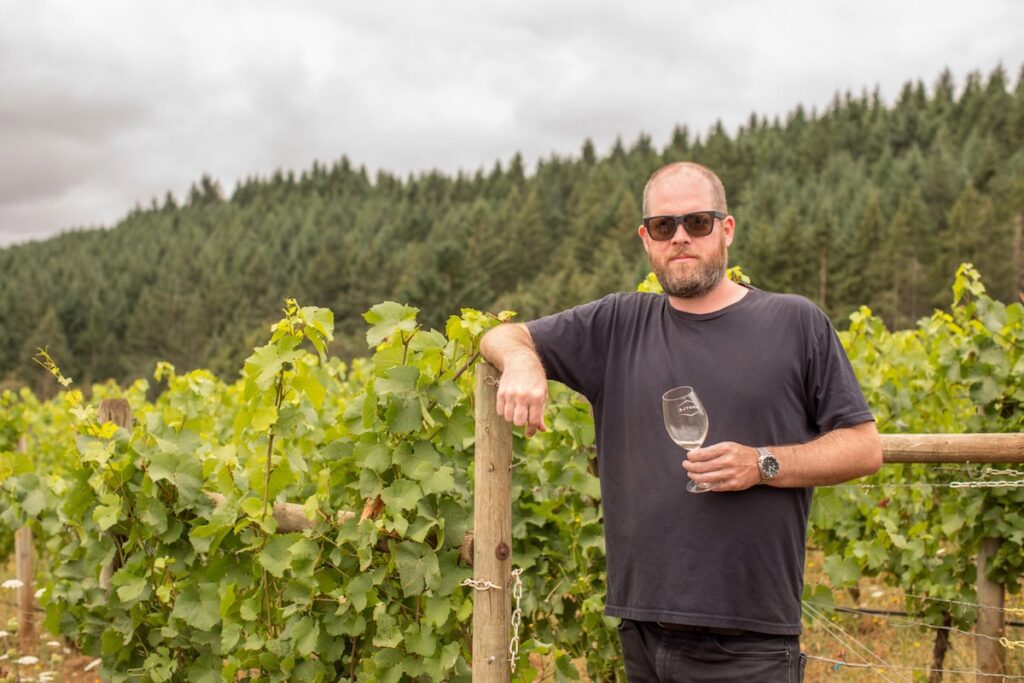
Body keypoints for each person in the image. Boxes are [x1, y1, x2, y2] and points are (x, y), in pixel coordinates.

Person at [479, 161, 882, 682]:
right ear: (646, 238)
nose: (681, 237)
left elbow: (864, 447)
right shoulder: (618, 324)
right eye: (664, 226)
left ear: (726, 229)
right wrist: (523, 361)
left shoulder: (795, 323)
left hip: (749, 641)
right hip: (642, 631)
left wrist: (762, 463)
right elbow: (502, 334)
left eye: (698, 222)